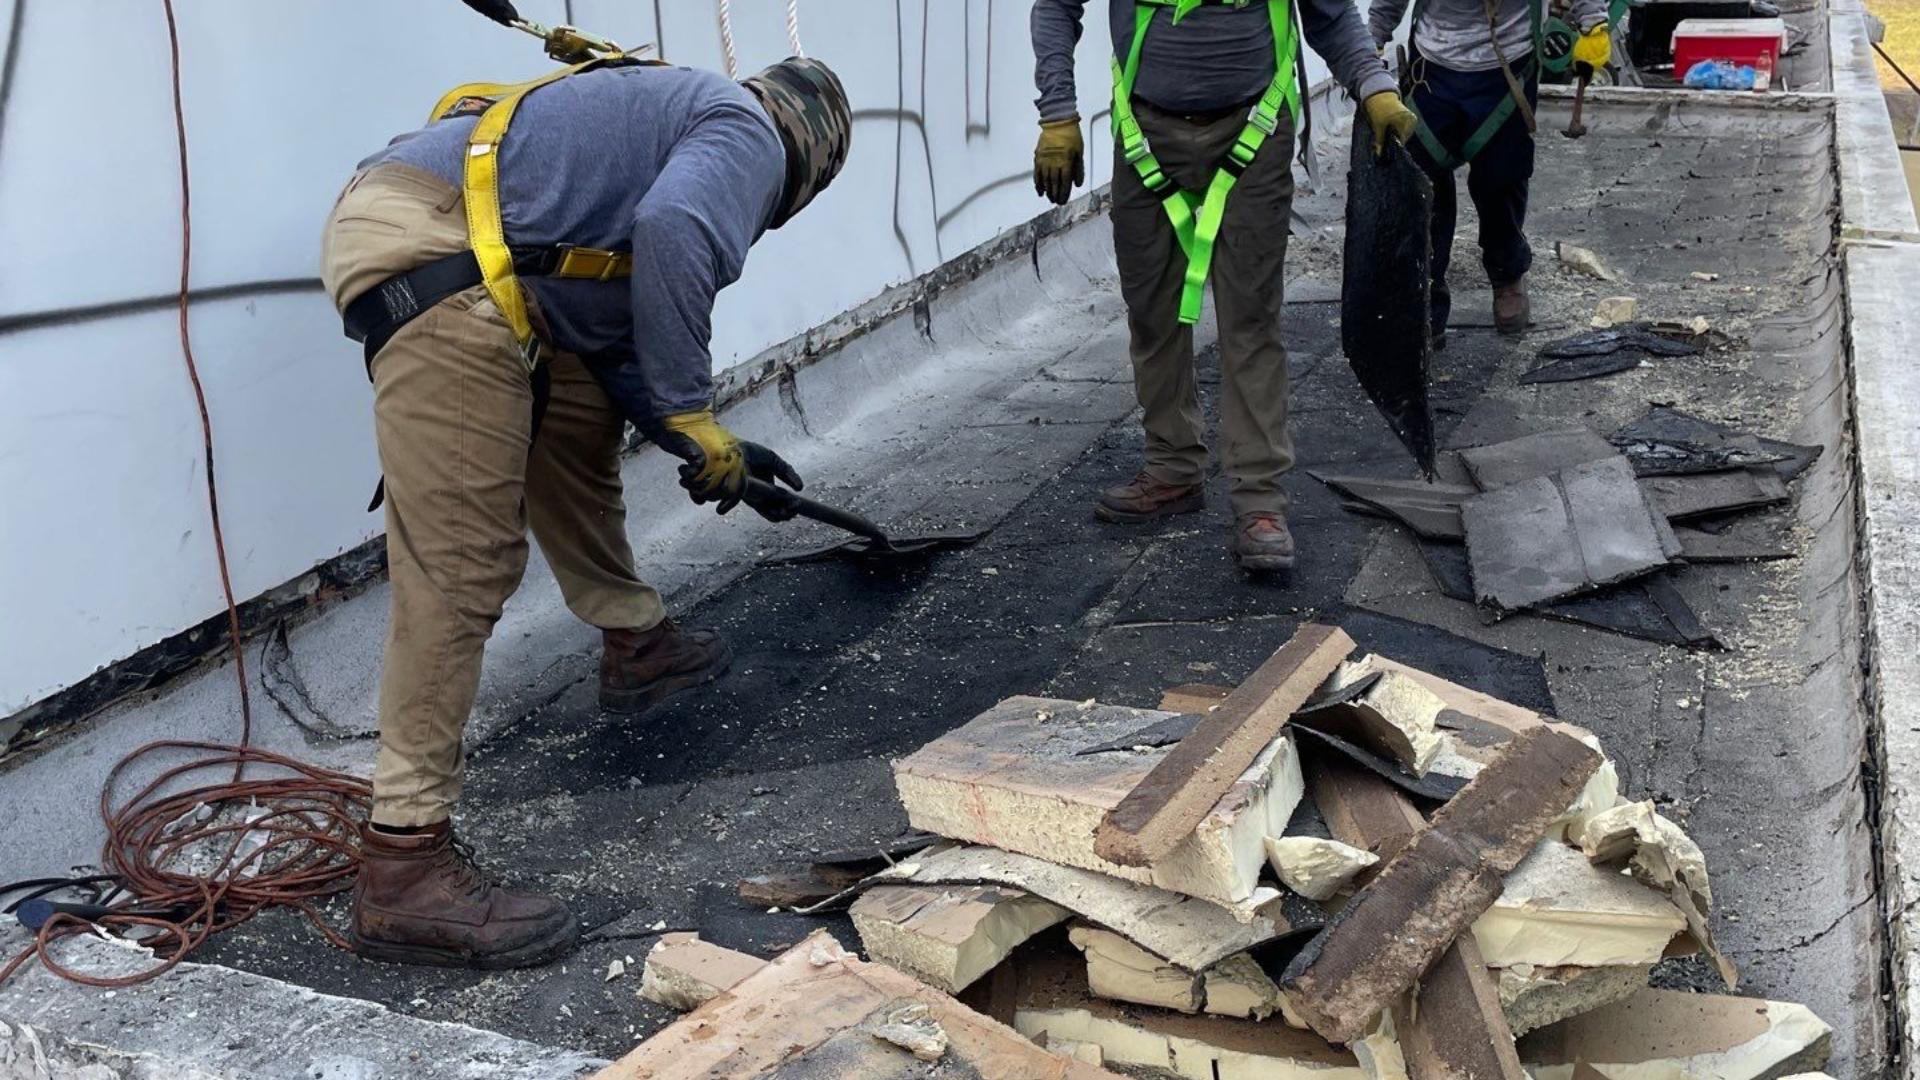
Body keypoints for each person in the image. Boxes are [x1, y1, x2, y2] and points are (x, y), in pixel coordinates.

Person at [319, 56, 851, 969]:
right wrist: (692, 408)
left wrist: (698, 440)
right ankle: (402, 864)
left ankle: (636, 642)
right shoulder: (749, 127)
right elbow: (679, 227)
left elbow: (609, 338)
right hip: (442, 255)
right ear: (808, 155)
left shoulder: (665, 121)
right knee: (463, 564)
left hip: (467, 247)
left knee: (575, 422)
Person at [1030, 0, 1417, 572]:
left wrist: (1374, 85)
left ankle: (1260, 503)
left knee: (1251, 318)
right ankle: (1173, 469)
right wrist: (1057, 114)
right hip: (1145, 133)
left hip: (1253, 132)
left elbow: (1330, 16)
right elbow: (1057, 7)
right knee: (1151, 311)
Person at [1368, 0, 1609, 340]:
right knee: (1422, 186)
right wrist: (1373, 38)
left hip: (1507, 67)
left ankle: (1507, 274)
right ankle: (1423, 298)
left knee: (1502, 178)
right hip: (1434, 66)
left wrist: (1592, 21)